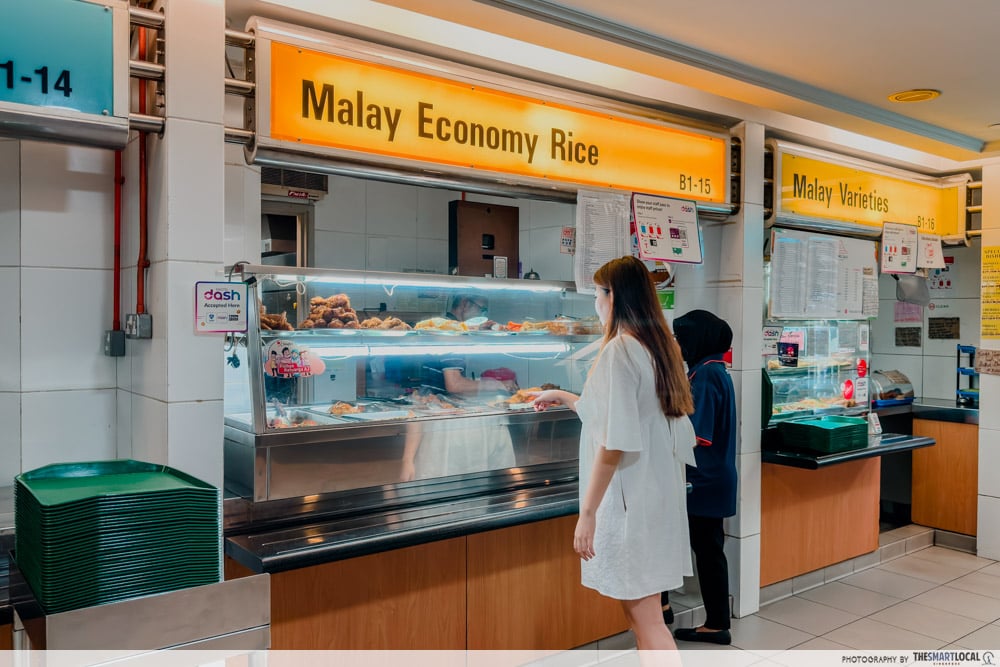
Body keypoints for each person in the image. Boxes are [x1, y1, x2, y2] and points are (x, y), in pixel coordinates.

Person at [530, 255, 696, 652]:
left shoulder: (620, 350)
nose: (595, 302)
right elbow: (613, 414)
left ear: (614, 296)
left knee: (648, 623)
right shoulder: (661, 347)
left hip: (630, 504)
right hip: (657, 496)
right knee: (645, 620)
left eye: (597, 294)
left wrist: (587, 514)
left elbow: (613, 442)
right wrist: (561, 395)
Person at [662, 309, 738, 646]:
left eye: (679, 338)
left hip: (703, 481)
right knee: (708, 550)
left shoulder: (705, 375)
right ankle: (711, 619)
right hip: (714, 477)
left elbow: (696, 434)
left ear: (696, 339)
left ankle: (714, 623)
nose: (676, 344)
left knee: (703, 550)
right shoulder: (712, 369)